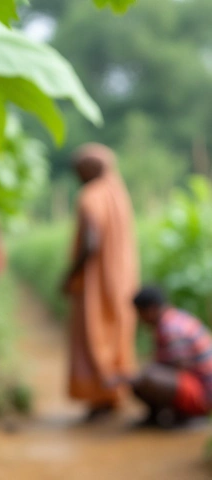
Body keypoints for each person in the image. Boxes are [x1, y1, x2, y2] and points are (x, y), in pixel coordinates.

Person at [61, 143, 139, 421]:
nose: (77, 176)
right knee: (116, 332)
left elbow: (91, 243)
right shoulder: (119, 194)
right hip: (122, 280)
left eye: (78, 170)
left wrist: (70, 275)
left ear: (90, 168)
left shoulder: (90, 196)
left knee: (93, 334)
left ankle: (99, 397)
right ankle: (113, 394)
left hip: (94, 284)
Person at [123, 286, 212, 427]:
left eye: (140, 313)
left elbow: (182, 367)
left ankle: (189, 416)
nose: (140, 319)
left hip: (203, 394)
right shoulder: (171, 320)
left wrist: (139, 377)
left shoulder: (171, 328)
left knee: (147, 378)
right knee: (142, 378)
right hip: (198, 386)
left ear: (151, 309)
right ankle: (158, 418)